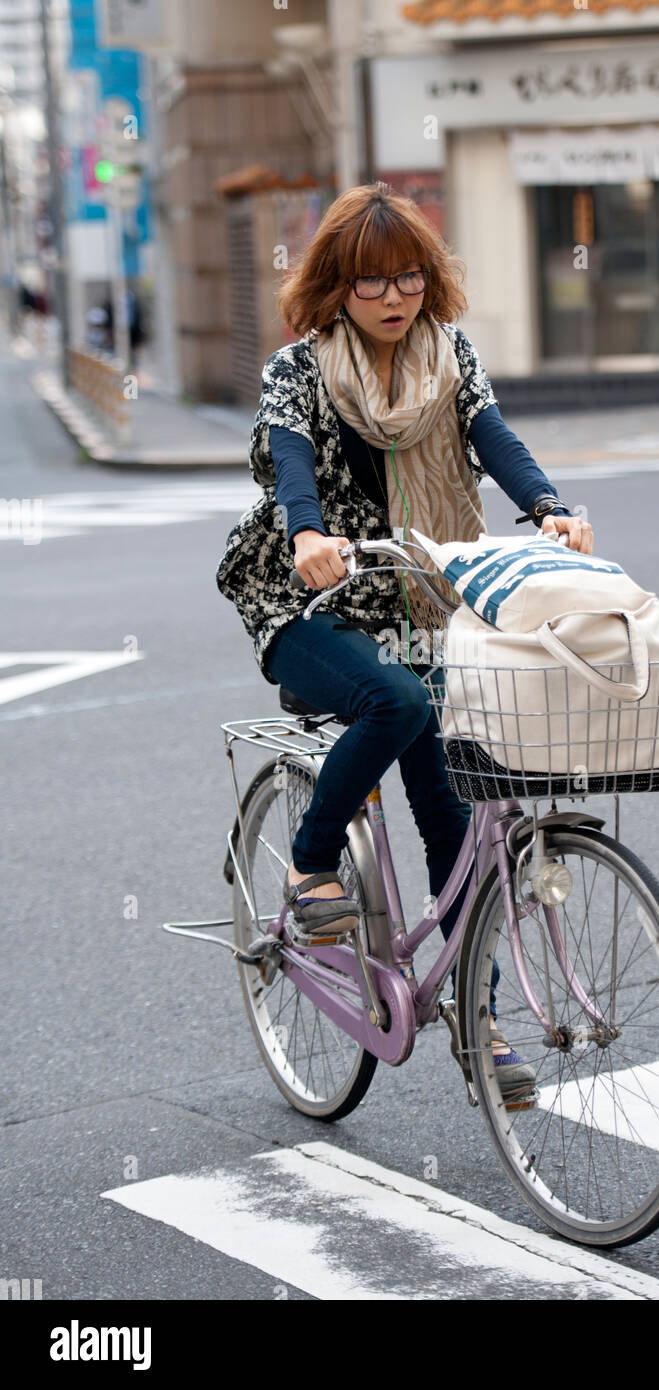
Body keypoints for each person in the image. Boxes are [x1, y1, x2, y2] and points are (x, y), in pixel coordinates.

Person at [216, 181, 594, 1089]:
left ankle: (480, 1013)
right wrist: (307, 535)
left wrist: (547, 506)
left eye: (410, 279)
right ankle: (312, 863)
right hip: (306, 602)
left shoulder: (448, 356)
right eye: (372, 282)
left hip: (419, 597)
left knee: (453, 811)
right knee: (393, 700)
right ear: (338, 287)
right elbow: (292, 460)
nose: (394, 299)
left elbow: (490, 436)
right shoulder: (299, 369)